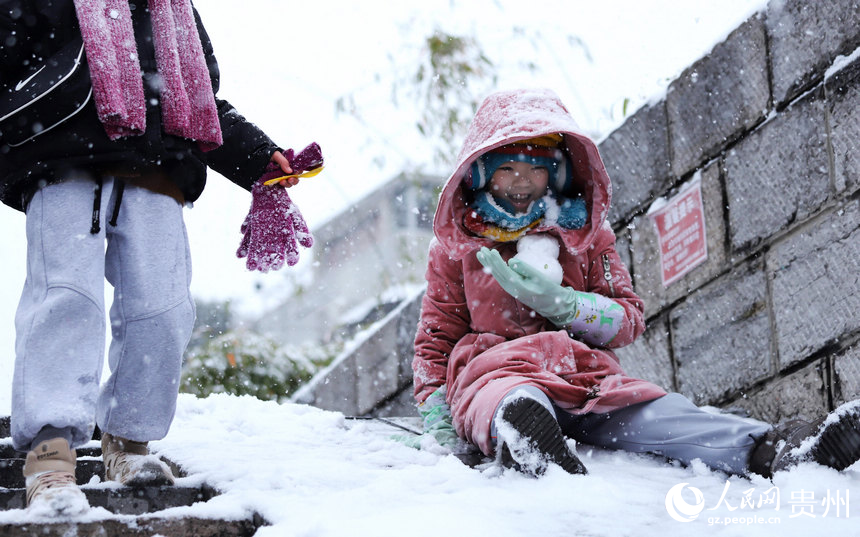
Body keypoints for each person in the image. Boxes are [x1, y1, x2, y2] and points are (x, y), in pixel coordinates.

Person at [410, 88, 860, 478]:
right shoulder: (458, 246)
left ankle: (781, 449)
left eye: (537, 168)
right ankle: (527, 437)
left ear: (558, 172)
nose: (523, 182)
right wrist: (442, 427)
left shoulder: (585, 237)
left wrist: (564, 303)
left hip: (584, 376)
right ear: (484, 171)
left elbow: (627, 320)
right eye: (508, 168)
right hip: (497, 373)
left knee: (664, 415)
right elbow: (434, 345)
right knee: (513, 400)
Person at [0, 0, 314, 515]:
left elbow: (199, 99)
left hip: (159, 168)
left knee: (163, 311)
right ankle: (49, 454)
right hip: (59, 163)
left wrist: (258, 154)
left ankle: (127, 443)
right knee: (64, 300)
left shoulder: (173, 8)